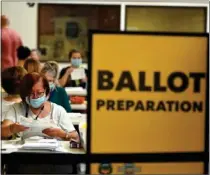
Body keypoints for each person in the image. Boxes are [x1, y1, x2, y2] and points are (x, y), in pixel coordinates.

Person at [1, 72, 79, 141]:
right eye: (31, 93)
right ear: (24, 94)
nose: (35, 97)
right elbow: (2, 132)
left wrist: (63, 134)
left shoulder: (58, 110)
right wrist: (11, 129)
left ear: (47, 93)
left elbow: (76, 137)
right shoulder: (17, 108)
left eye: (39, 93)